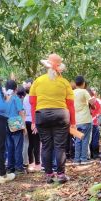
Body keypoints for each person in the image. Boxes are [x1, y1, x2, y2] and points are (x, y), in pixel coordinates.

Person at [29, 53, 75, 184]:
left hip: (42, 115)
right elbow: (70, 104)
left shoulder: (38, 81)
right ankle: (61, 175)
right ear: (60, 68)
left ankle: (49, 174)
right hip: (61, 114)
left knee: (46, 146)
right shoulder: (65, 82)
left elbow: (33, 103)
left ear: (47, 67)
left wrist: (33, 121)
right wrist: (73, 123)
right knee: (60, 146)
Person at [6, 80, 26, 174]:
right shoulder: (15, 98)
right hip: (15, 122)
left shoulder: (4, 98)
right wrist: (24, 126)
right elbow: (21, 112)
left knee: (9, 146)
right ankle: (19, 166)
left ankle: (10, 166)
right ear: (15, 89)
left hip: (5, 122)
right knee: (18, 145)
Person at [73, 76, 94, 165]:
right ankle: (84, 159)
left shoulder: (72, 92)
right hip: (85, 119)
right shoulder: (84, 91)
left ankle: (77, 159)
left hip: (76, 120)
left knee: (78, 140)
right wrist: (94, 98)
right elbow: (92, 102)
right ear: (83, 83)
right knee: (85, 139)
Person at [23, 81, 41, 172]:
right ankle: (37, 164)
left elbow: (24, 111)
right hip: (34, 121)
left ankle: (31, 163)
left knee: (31, 143)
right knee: (36, 143)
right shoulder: (34, 98)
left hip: (27, 121)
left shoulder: (25, 98)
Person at [89, 88, 101, 159]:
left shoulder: (87, 100)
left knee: (88, 139)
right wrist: (99, 114)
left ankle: (89, 154)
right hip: (95, 122)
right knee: (95, 138)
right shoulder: (97, 100)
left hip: (87, 122)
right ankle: (95, 154)